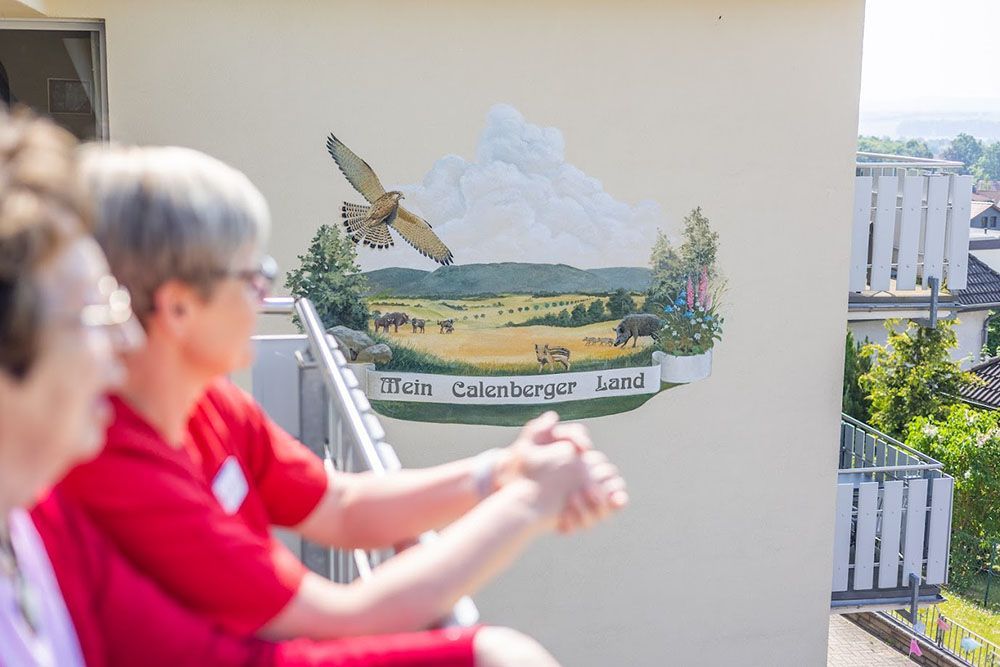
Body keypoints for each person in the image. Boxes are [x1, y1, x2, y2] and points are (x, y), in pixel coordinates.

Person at [0, 109, 623, 667]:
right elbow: (341, 619)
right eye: (254, 275)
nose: (267, 294)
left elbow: (340, 505)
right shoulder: (110, 462)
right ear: (179, 306)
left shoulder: (208, 404)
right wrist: (527, 504)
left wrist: (501, 472)